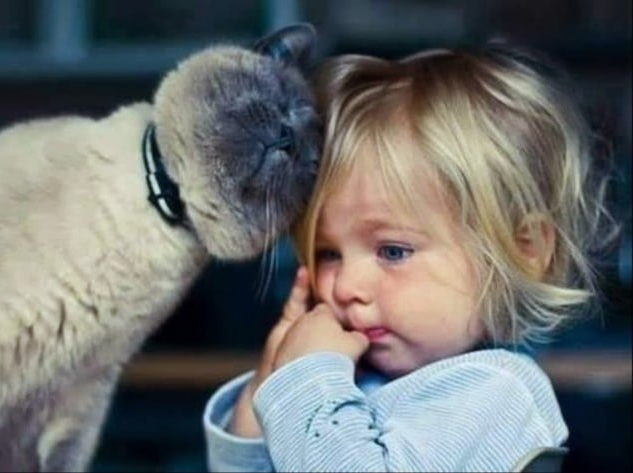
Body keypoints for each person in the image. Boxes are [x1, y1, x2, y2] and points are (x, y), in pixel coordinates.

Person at [202, 41, 619, 472]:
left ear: (523, 249)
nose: (344, 287)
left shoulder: (496, 394)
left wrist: (305, 379)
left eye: (393, 251)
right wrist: (270, 382)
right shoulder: (348, 383)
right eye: (328, 253)